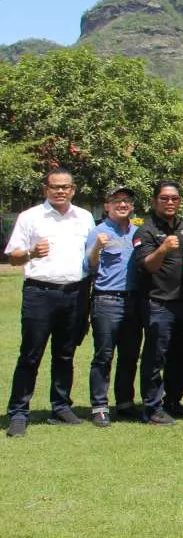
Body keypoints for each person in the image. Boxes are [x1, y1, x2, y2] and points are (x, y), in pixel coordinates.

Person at [4, 167, 93, 437]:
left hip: (75, 292)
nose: (60, 191)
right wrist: (31, 252)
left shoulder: (85, 217)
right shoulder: (30, 217)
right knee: (31, 354)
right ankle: (19, 411)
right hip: (40, 293)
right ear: (46, 189)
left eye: (66, 187)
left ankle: (61, 406)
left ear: (73, 190)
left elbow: (92, 255)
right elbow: (12, 257)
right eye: (55, 187)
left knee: (65, 354)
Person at [135, 179, 183, 425]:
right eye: (165, 198)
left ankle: (173, 402)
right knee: (155, 357)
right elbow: (147, 265)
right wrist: (163, 249)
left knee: (179, 357)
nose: (170, 202)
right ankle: (151, 407)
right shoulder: (145, 230)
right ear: (154, 201)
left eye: (174, 198)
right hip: (158, 302)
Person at [85, 185, 140, 428]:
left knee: (129, 355)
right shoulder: (98, 232)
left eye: (127, 200)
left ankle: (125, 403)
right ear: (106, 205)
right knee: (104, 355)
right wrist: (98, 246)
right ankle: (99, 407)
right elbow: (90, 265)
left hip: (134, 300)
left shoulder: (138, 232)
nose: (122, 204)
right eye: (116, 200)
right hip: (107, 299)